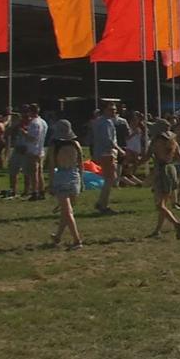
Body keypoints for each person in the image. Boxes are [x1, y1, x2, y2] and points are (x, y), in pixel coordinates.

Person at [48, 120, 84, 249]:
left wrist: (50, 183)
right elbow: (81, 164)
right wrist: (82, 181)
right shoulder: (76, 144)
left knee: (67, 211)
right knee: (67, 211)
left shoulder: (54, 146)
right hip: (74, 176)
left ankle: (77, 240)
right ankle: (58, 236)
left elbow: (52, 166)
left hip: (61, 176)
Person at [146, 120, 180, 239]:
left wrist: (134, 165)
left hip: (161, 171)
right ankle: (157, 230)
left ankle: (176, 223)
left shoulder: (155, 141)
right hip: (171, 170)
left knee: (159, 205)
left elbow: (146, 156)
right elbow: (179, 158)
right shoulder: (173, 141)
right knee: (164, 203)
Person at [92, 100, 125, 214]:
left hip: (100, 152)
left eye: (115, 110)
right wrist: (119, 150)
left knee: (109, 179)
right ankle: (103, 204)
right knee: (110, 179)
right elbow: (108, 140)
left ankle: (101, 202)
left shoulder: (97, 121)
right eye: (111, 109)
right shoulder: (107, 122)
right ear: (105, 110)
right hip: (107, 153)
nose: (114, 112)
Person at [24, 103, 48, 201]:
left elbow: (33, 138)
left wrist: (24, 133)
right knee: (40, 172)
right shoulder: (43, 122)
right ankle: (41, 191)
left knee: (33, 173)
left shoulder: (34, 123)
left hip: (33, 150)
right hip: (40, 149)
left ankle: (35, 192)